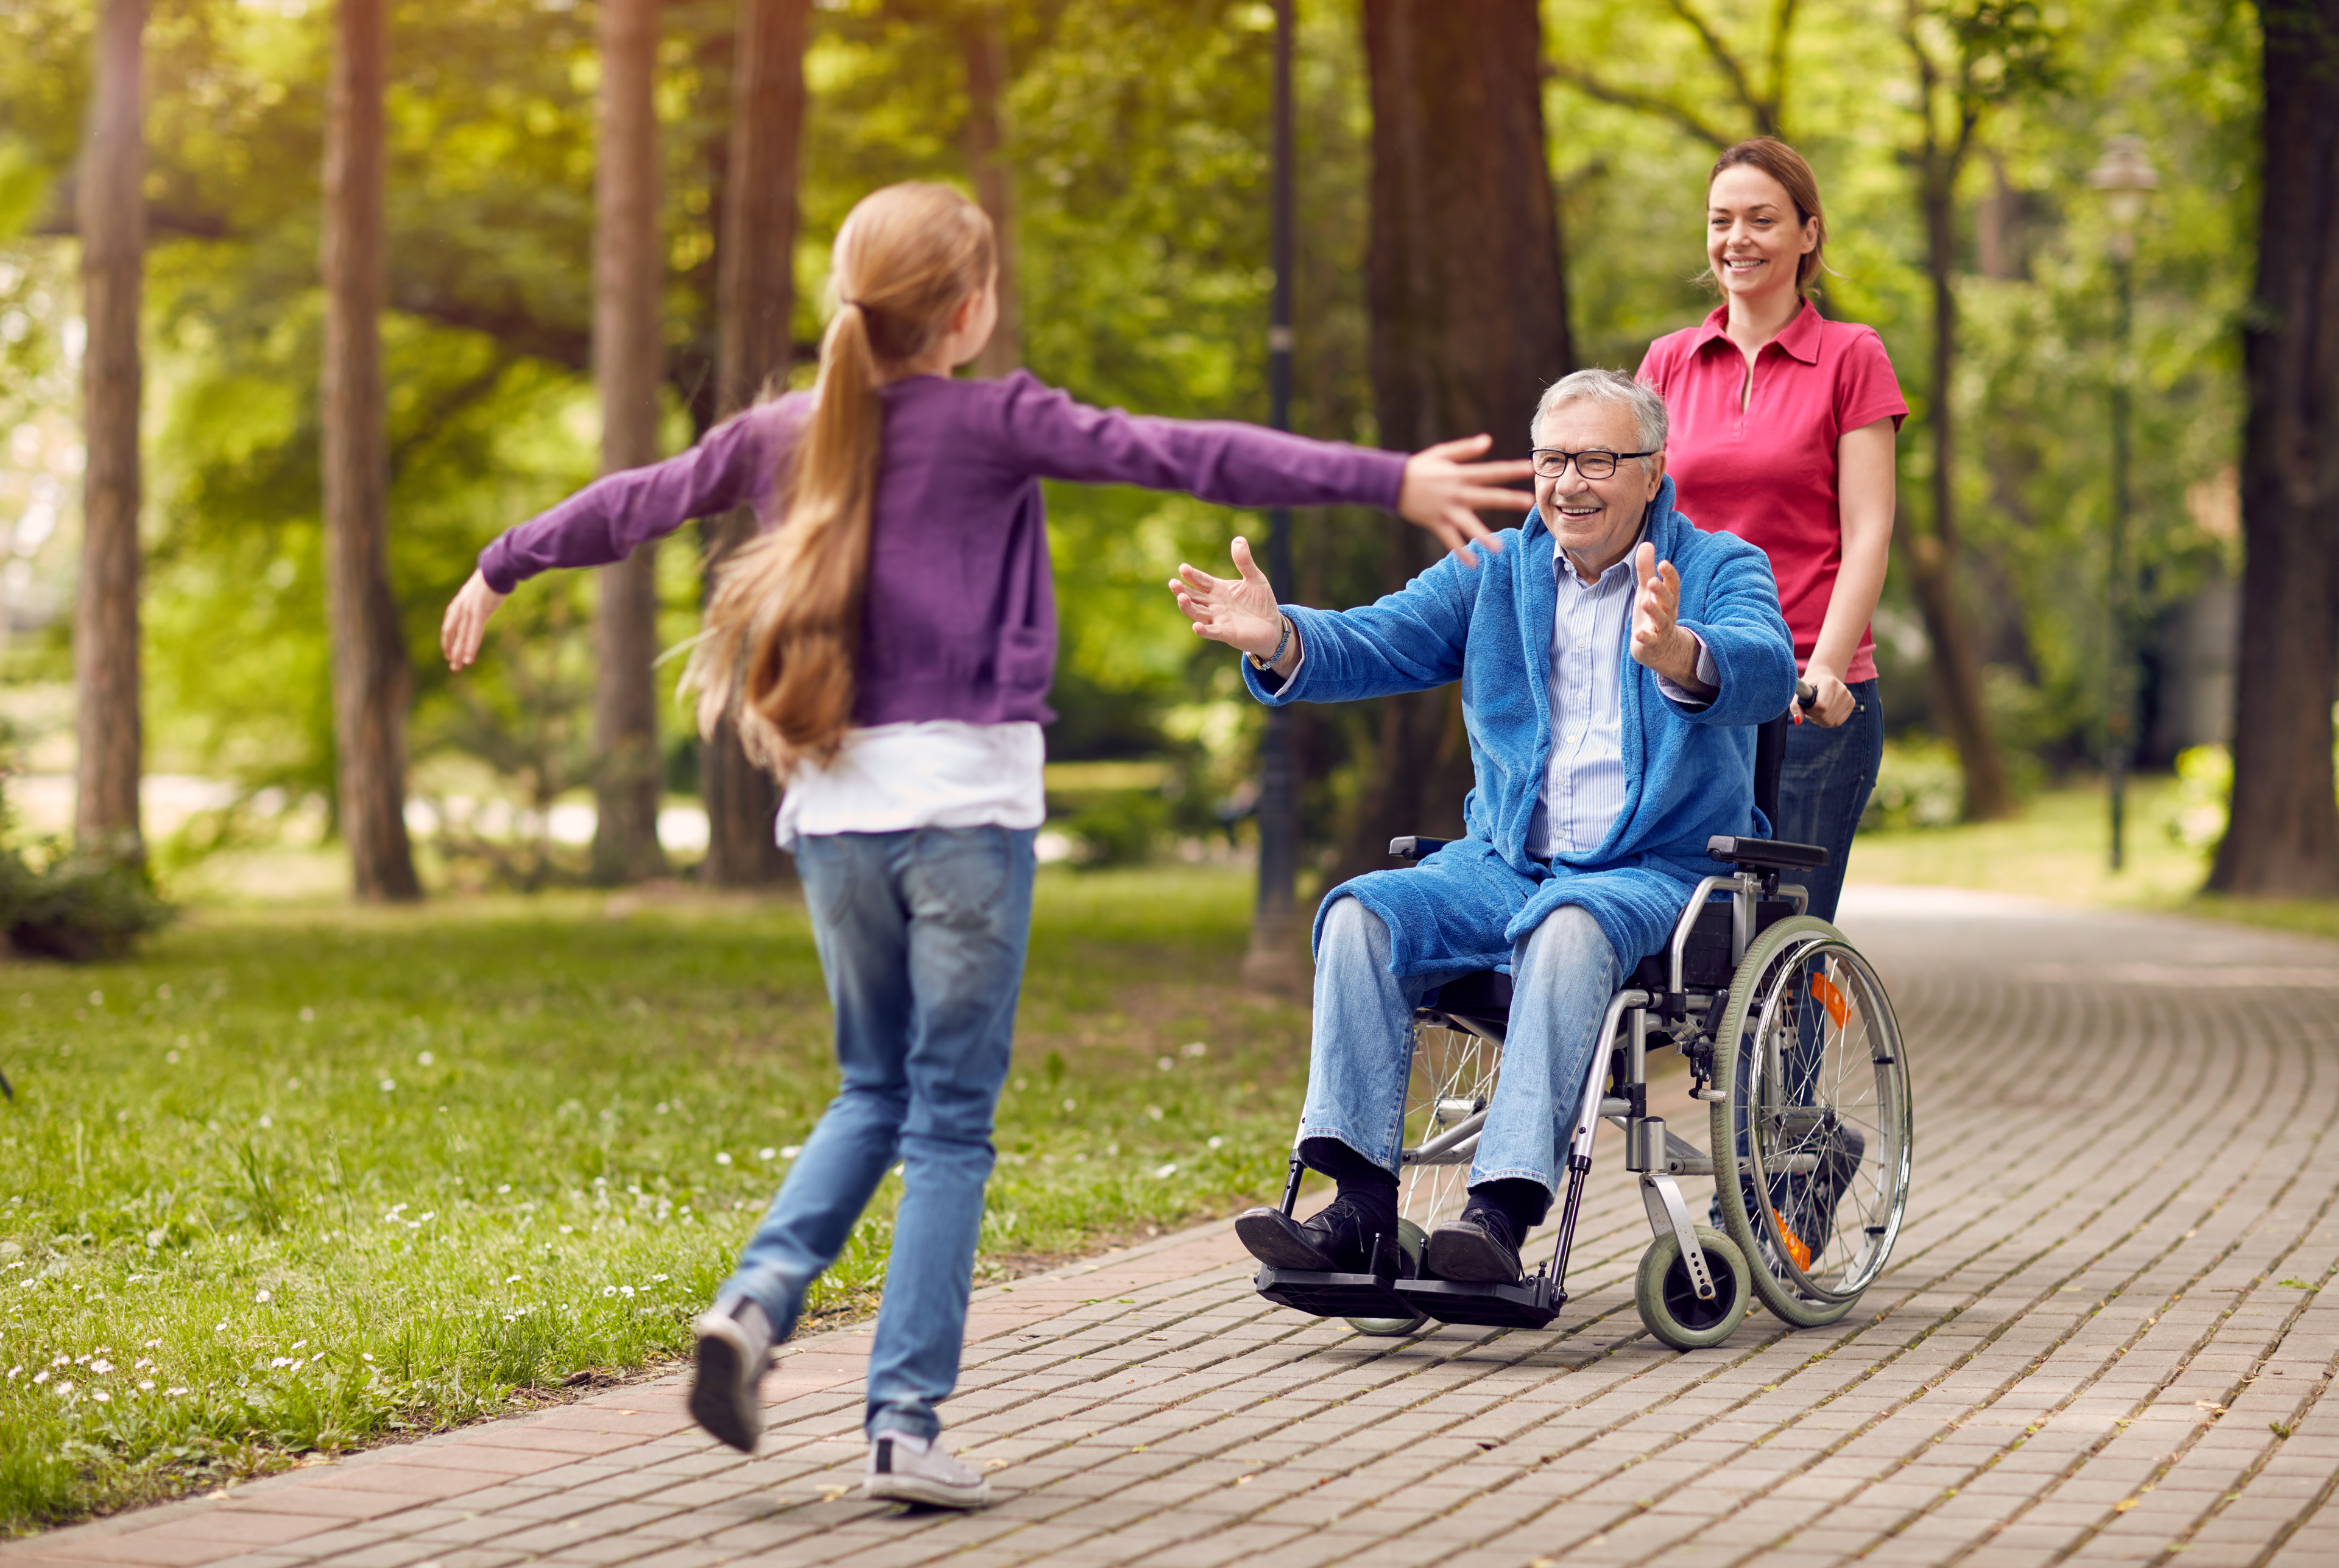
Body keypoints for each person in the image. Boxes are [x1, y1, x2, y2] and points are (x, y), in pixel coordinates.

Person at [439, 181, 1535, 1509]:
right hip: (965, 813)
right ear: (969, 310)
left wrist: (502, 564)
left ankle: (757, 1300)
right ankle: (903, 1423)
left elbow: (638, 499)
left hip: (834, 818)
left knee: (869, 1090)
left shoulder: (782, 430)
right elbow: (1187, 454)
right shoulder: (995, 417)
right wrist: (1391, 479)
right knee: (949, 1121)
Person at [1171, 370, 1794, 1285]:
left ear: (1654, 471)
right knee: (1361, 914)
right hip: (1503, 863)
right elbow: (1377, 639)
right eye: (1551, 460)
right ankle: (1357, 1208)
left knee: (1570, 924)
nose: (1569, 484)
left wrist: (1681, 653)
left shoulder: (1715, 566)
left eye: (1596, 460)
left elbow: (1768, 666)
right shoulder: (1495, 569)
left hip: (1652, 872)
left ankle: (1497, 1217)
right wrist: (1277, 639)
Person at [1637, 138, 1907, 923]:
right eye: (1723, 221)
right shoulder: (1668, 362)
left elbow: (1868, 532)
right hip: (1691, 682)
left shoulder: (1852, 356)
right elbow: (1638, 521)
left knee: (1784, 939)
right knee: (1684, 943)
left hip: (1805, 694)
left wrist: (1824, 670)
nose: (1738, 239)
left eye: (1762, 219)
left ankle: (1792, 1051)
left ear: (1808, 233)